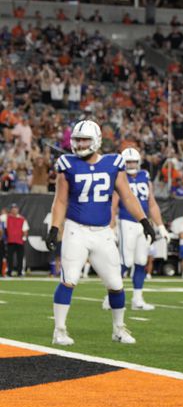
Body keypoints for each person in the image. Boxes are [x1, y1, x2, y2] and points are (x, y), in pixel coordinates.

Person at [46, 120, 155, 346]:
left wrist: (144, 221)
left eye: (84, 139)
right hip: (76, 230)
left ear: (96, 140)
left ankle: (118, 329)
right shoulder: (67, 163)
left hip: (103, 232)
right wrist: (55, 228)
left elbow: (127, 196)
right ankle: (59, 330)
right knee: (70, 279)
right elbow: (61, 200)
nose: (80, 144)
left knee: (116, 283)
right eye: (77, 139)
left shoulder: (113, 163)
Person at [102, 148, 169, 311]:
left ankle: (137, 299)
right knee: (126, 261)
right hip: (127, 223)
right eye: (128, 162)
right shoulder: (120, 177)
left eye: (133, 162)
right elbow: (113, 205)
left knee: (141, 261)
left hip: (143, 224)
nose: (131, 165)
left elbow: (151, 203)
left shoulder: (144, 176)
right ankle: (109, 297)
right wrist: (111, 226)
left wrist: (160, 226)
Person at [5, 203, 28, 277]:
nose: (14, 210)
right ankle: (9, 272)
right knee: (10, 257)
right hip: (10, 241)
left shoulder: (22, 219)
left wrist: (24, 238)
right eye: (13, 208)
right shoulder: (6, 218)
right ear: (11, 210)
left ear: (18, 210)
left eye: (16, 208)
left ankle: (19, 272)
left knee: (20, 258)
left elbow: (25, 230)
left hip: (19, 241)